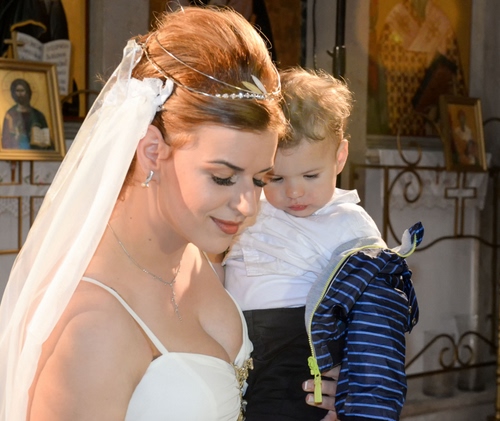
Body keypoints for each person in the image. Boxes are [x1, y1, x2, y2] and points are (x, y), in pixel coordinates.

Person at [0, 7, 292, 420]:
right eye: (223, 178)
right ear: (153, 150)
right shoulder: (91, 325)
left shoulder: (192, 250)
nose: (247, 206)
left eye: (260, 180)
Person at [224, 67, 423, 420]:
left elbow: (375, 319)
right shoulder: (251, 206)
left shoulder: (348, 223)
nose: (294, 191)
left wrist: (353, 397)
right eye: (276, 178)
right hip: (233, 345)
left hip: (299, 353)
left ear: (339, 157)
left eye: (310, 175)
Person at [1, 78, 51, 149]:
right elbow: (5, 139)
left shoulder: (38, 115)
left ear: (28, 92)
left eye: (22, 91)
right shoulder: (10, 114)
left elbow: (46, 139)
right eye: (17, 91)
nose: (20, 94)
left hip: (36, 150)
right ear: (13, 93)